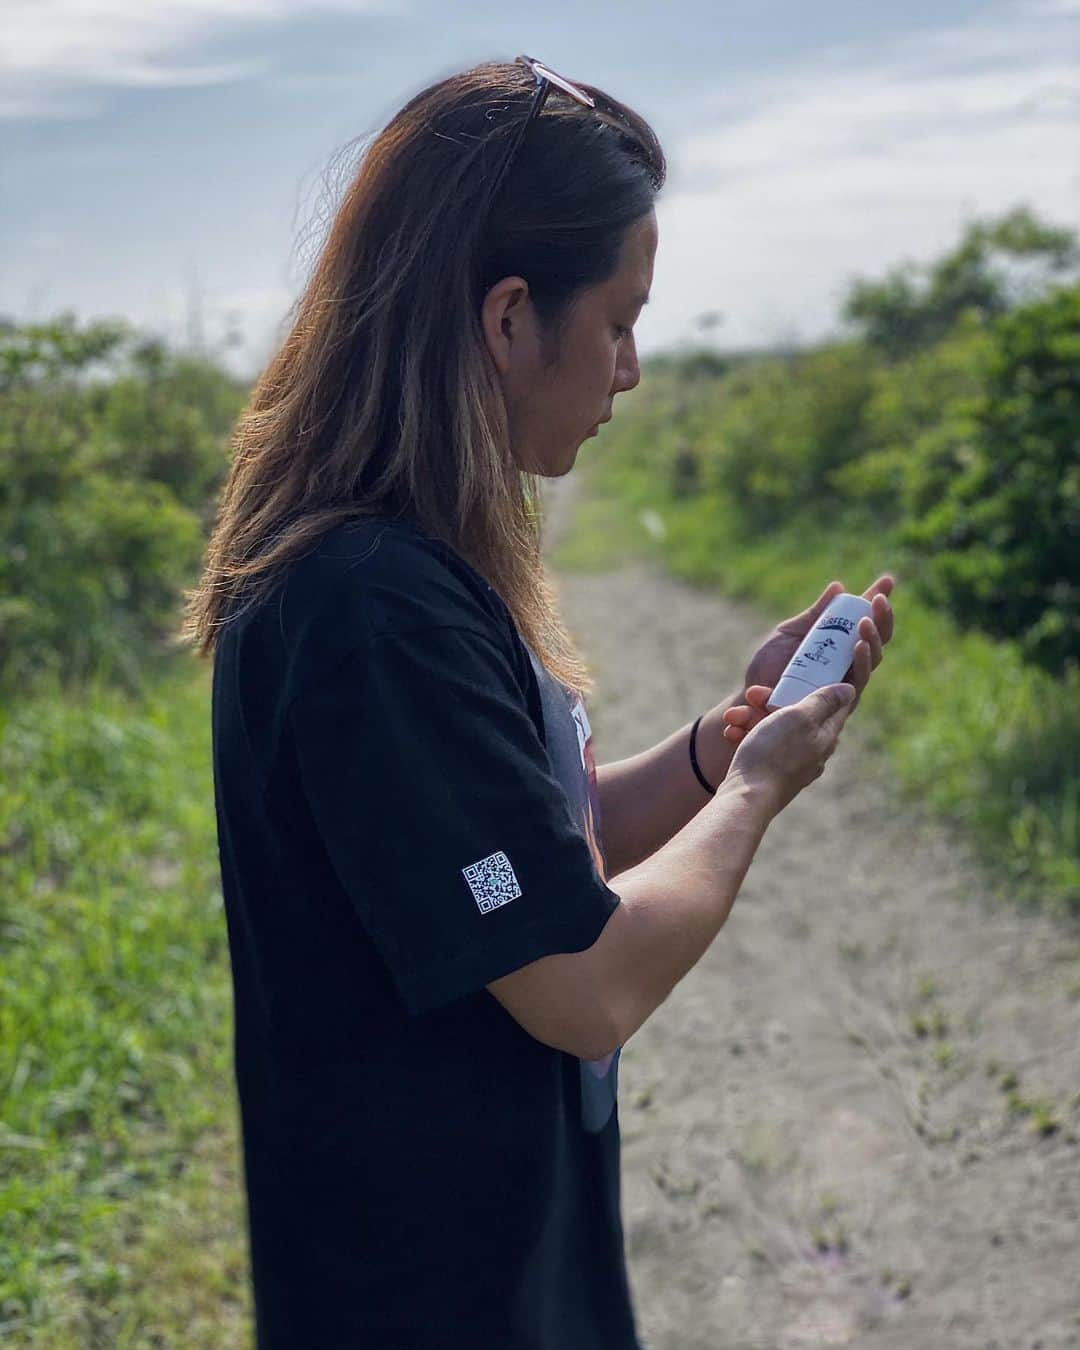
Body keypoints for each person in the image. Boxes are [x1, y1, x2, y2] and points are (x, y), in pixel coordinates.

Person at [181, 54, 894, 1349]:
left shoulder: (402, 567)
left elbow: (512, 852)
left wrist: (708, 745)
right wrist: (756, 792)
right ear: (509, 318)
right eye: (619, 320)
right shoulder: (372, 605)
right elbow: (583, 979)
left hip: (494, 1264)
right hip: (426, 1294)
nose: (629, 366)